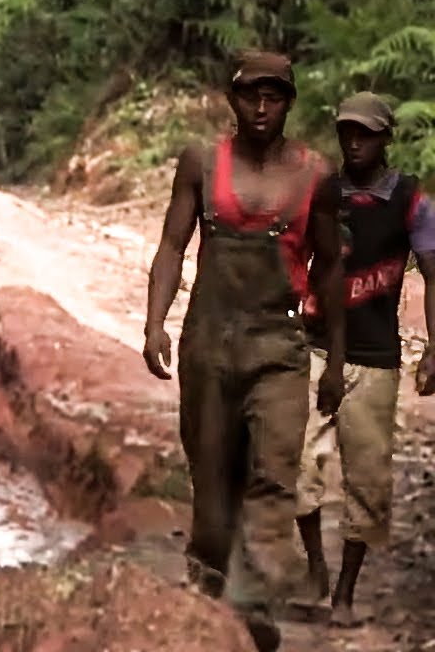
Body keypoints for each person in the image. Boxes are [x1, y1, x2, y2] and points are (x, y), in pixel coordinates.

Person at [142, 50, 346, 651]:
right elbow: (172, 246)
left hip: (279, 349)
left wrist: (334, 360)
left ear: (289, 102)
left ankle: (252, 608)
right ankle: (210, 604)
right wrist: (155, 323)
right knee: (211, 492)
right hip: (208, 345)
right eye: (251, 95)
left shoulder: (315, 176)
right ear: (232, 100)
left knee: (274, 475)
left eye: (275, 95)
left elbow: (333, 269)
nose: (262, 107)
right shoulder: (201, 163)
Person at [292, 91, 435, 627]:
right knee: (295, 464)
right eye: (347, 131)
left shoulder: (412, 202)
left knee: (368, 481)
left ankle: (345, 594)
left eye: (366, 132)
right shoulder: (322, 194)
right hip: (315, 347)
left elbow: (432, 272)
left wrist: (434, 351)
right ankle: (314, 571)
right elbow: (295, 259)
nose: (354, 140)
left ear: (385, 138)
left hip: (375, 357)